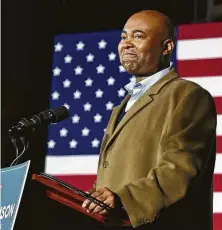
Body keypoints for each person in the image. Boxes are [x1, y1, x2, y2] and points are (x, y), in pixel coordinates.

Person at [82, 10, 217, 230]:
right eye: (124, 36)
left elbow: (180, 170)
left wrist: (124, 199)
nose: (126, 44)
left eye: (138, 36)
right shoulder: (121, 107)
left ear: (167, 47)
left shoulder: (187, 96)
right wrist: (96, 198)